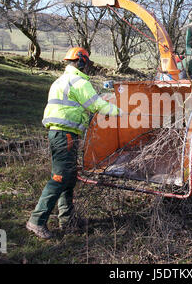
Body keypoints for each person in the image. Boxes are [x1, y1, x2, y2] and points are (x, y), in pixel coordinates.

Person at [26, 47, 121, 239]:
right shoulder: (78, 82)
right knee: (60, 178)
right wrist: (121, 111)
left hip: (58, 134)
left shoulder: (60, 80)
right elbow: (96, 105)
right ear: (81, 62)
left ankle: (68, 220)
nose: (87, 68)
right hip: (66, 135)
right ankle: (36, 221)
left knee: (68, 178)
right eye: (86, 64)